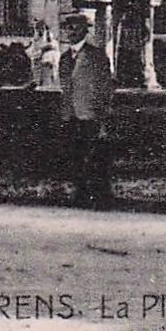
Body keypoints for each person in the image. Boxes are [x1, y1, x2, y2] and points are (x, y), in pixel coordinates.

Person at [58, 11, 115, 208]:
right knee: (75, 154)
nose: (70, 31)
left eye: (75, 27)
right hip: (71, 114)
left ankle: (100, 195)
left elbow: (105, 87)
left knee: (95, 155)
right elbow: (66, 87)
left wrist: (103, 118)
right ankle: (80, 193)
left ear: (84, 30)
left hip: (91, 114)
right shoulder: (64, 58)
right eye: (67, 27)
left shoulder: (97, 55)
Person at [32, 19, 60, 89]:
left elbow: (55, 52)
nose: (40, 31)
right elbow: (34, 54)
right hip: (41, 68)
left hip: (50, 67)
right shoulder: (36, 41)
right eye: (38, 29)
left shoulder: (53, 42)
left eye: (42, 29)